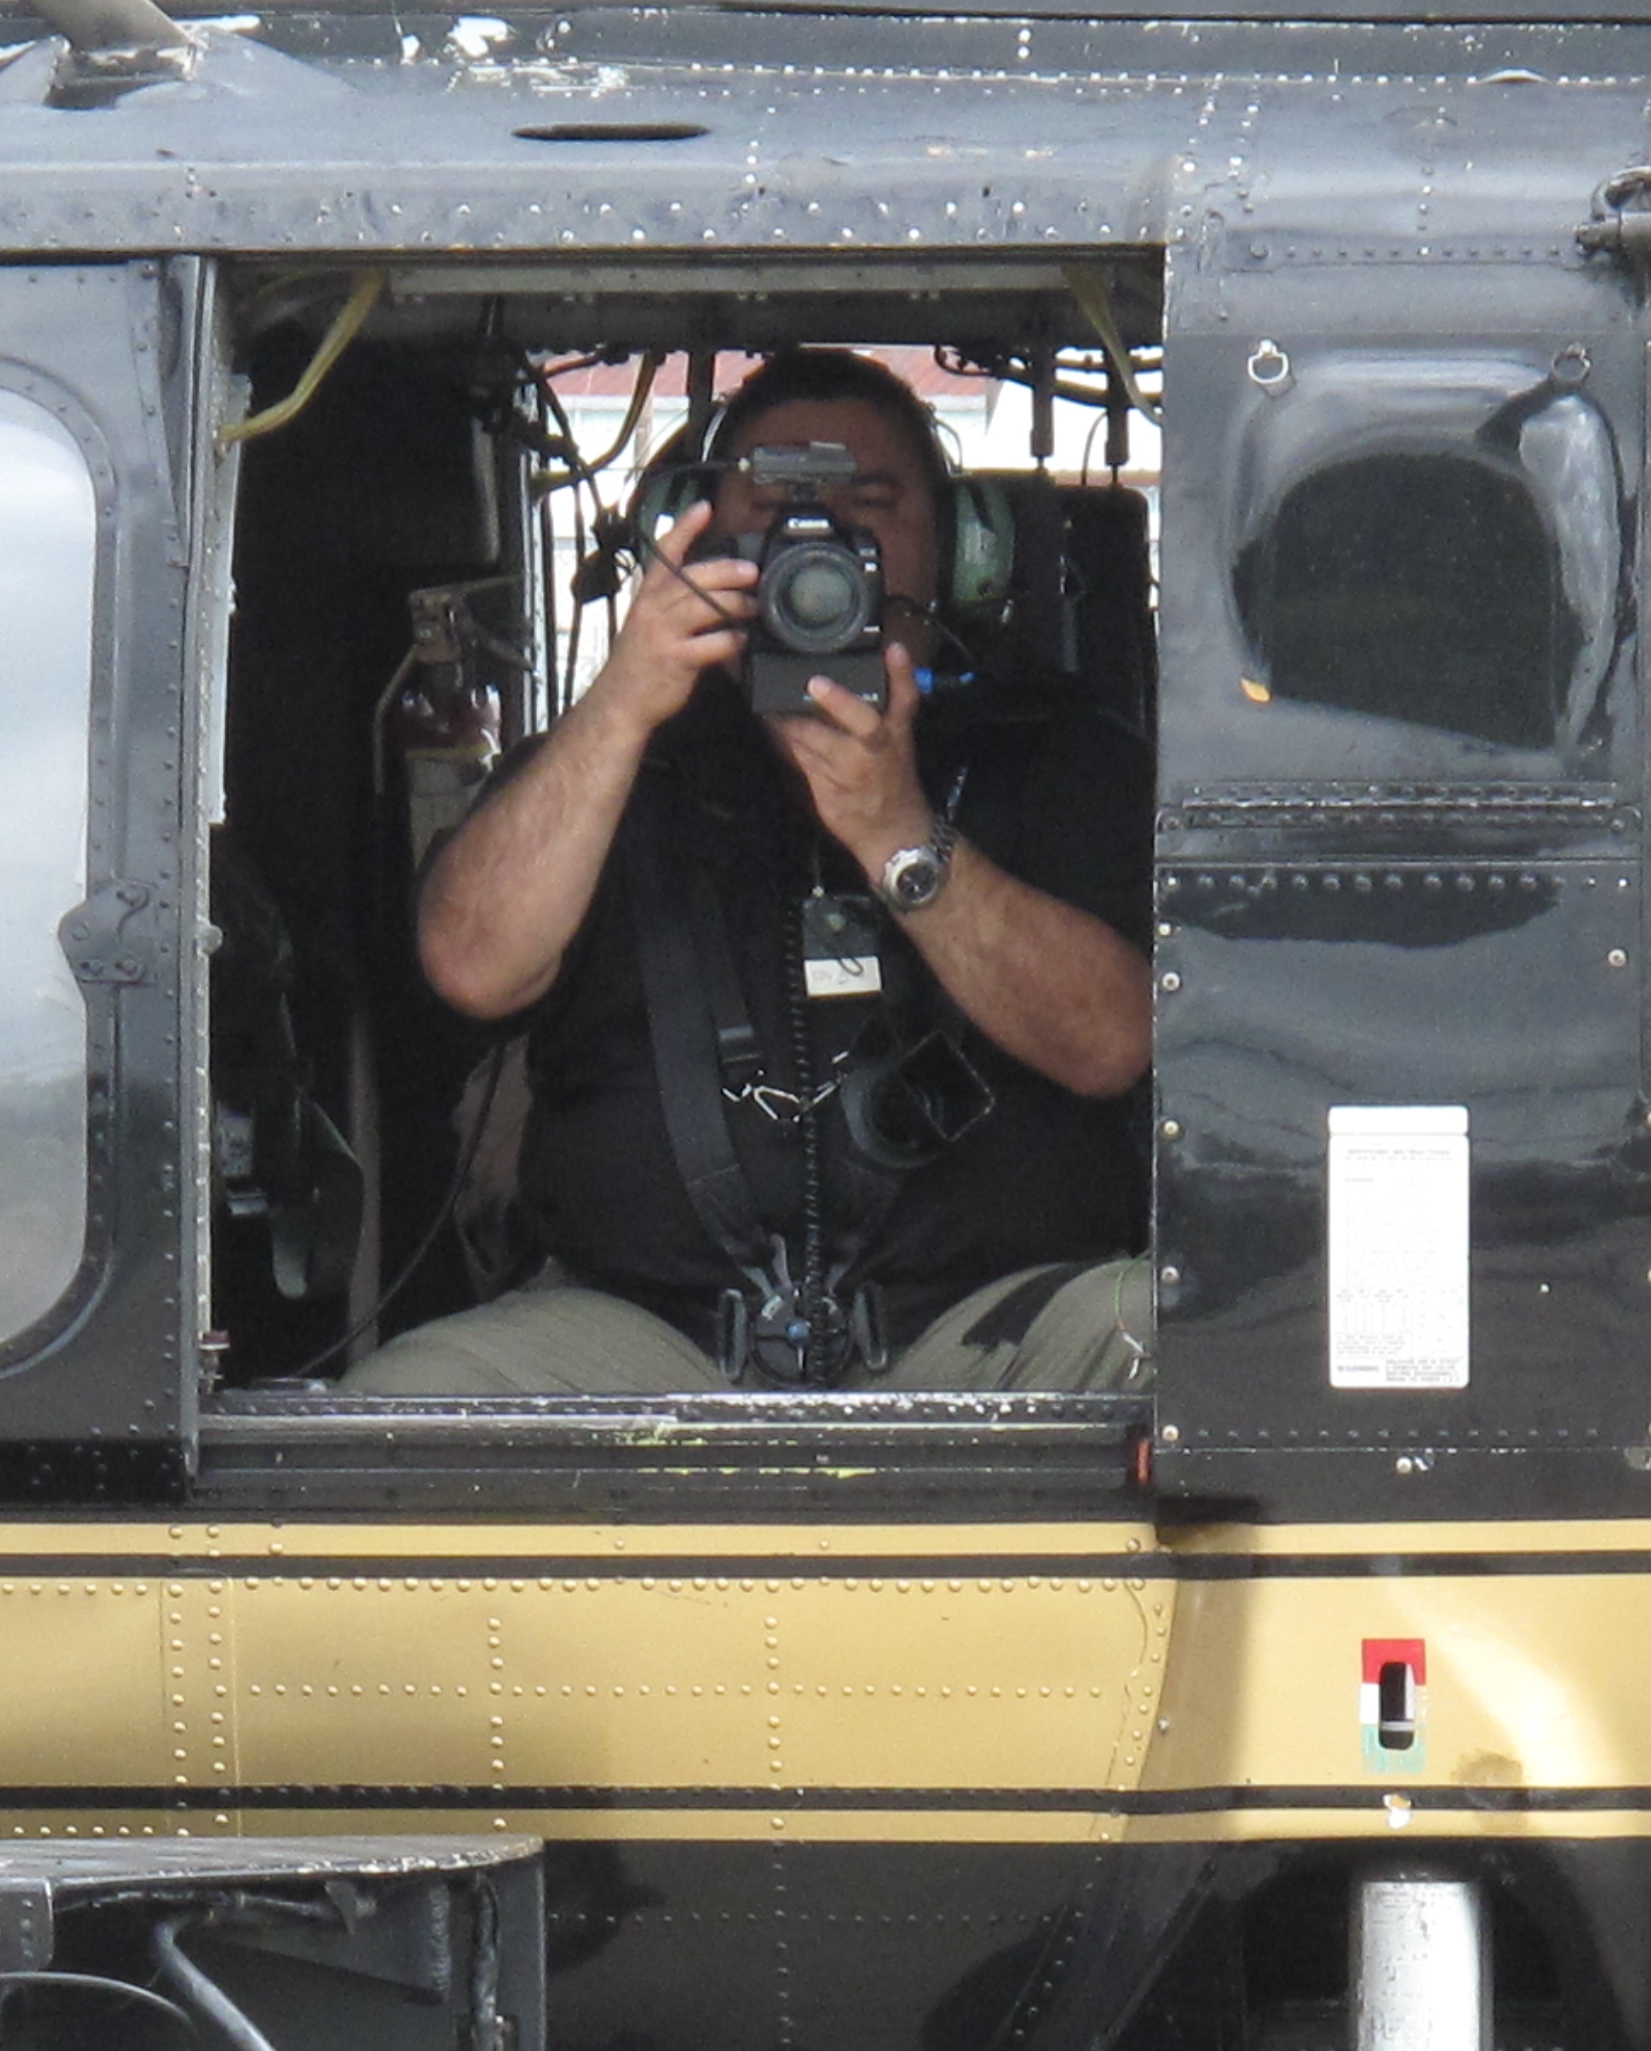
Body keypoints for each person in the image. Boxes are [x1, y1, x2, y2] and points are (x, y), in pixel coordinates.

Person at [348, 348, 1156, 1396]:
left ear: (963, 551)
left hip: (985, 1335)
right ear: (691, 535)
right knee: (401, 1415)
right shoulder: (609, 758)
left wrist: (900, 836)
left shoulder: (1058, 757)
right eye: (773, 506)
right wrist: (625, 701)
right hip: (648, 1340)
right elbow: (470, 965)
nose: (822, 546)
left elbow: (1111, 1042)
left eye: (872, 503)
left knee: (1172, 1342)